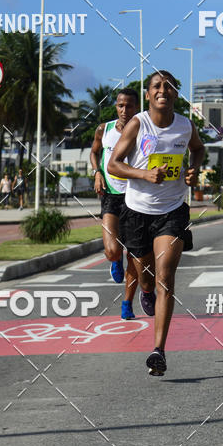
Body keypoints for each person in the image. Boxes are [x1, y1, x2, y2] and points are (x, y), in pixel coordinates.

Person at [109, 69, 205, 376]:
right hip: (136, 212)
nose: (163, 90)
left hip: (172, 211)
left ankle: (158, 351)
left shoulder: (186, 126)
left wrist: (193, 170)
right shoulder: (139, 124)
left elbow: (199, 151)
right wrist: (144, 174)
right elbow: (113, 165)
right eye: (156, 86)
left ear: (176, 93)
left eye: (168, 86)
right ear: (148, 94)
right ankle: (145, 292)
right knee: (147, 280)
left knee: (165, 278)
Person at [91, 88, 140, 320]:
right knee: (112, 251)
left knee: (135, 256)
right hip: (111, 195)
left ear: (137, 107)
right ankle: (114, 260)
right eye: (120, 105)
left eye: (129, 106)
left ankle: (127, 303)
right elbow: (94, 152)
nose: (124, 110)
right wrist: (97, 172)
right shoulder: (105, 129)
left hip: (135, 197)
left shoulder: (143, 130)